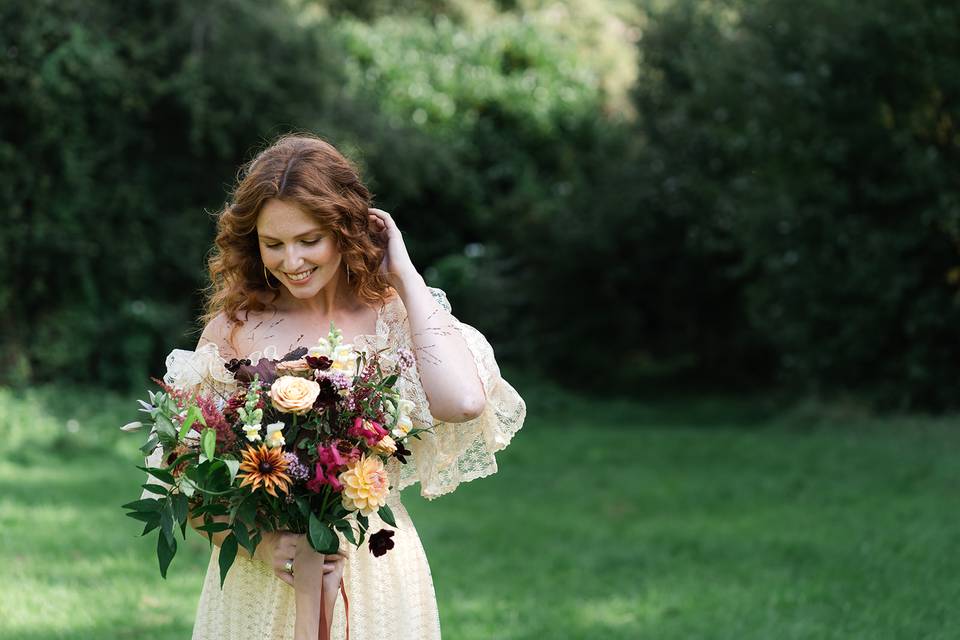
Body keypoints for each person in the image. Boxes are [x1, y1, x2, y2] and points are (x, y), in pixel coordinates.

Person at [160, 133, 526, 639]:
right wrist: (260, 544)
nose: (291, 261)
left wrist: (403, 274)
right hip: (263, 582)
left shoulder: (396, 315)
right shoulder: (237, 327)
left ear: (344, 230)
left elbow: (462, 403)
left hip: (374, 568)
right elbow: (187, 478)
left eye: (309, 239)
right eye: (273, 243)